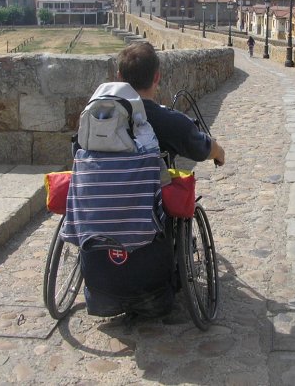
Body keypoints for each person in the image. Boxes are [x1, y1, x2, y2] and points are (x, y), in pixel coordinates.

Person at [80, 42, 225, 319]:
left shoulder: (97, 118)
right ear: (157, 77)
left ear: (118, 76)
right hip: (152, 293)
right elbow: (202, 148)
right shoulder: (163, 119)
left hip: (99, 290)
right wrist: (220, 153)